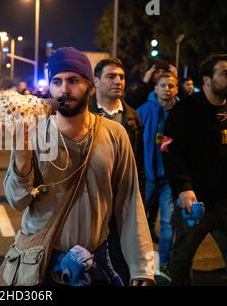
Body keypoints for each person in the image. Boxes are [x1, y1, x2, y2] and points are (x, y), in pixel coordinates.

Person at [4, 47, 154, 286]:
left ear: (90, 87)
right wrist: (22, 158)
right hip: (42, 262)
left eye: (73, 80)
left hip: (95, 262)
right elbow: (16, 201)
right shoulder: (33, 132)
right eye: (57, 81)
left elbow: (129, 202)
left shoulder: (115, 133)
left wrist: (142, 266)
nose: (64, 89)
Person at [162, 54, 227, 285]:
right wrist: (183, 188)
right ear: (207, 79)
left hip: (226, 202)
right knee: (181, 259)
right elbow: (170, 151)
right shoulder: (185, 111)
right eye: (225, 73)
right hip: (195, 203)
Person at [89, 57, 145, 284]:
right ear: (96, 81)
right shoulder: (85, 114)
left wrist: (140, 196)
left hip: (122, 198)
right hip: (92, 200)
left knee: (121, 259)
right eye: (111, 76)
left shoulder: (132, 117)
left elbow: (138, 162)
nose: (118, 81)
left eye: (121, 77)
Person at [137, 71, 179, 283]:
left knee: (167, 223)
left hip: (170, 180)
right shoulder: (144, 111)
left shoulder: (182, 112)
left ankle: (163, 265)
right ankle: (139, 261)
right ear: (156, 88)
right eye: (163, 85)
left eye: (171, 86)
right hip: (147, 176)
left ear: (176, 89)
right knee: (139, 220)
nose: (167, 89)